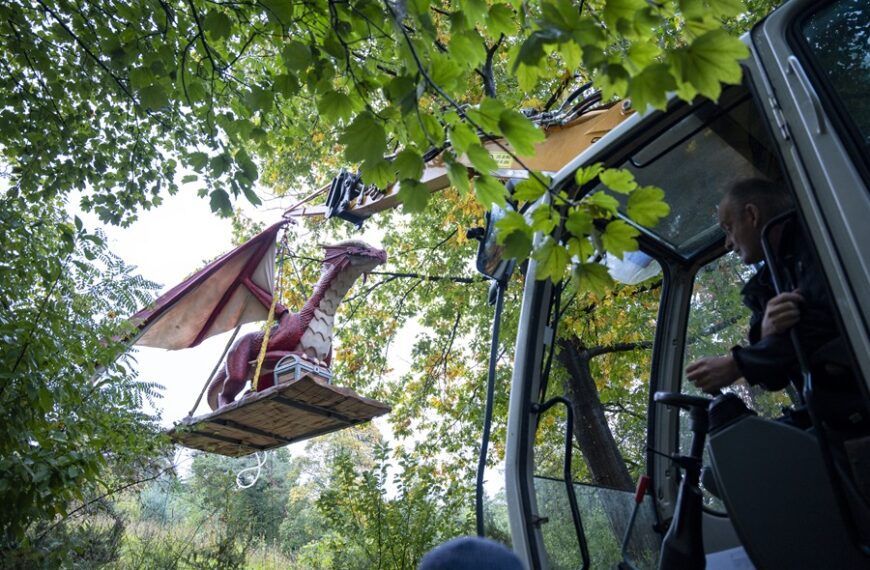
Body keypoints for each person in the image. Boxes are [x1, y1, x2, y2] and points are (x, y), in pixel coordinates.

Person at [685, 178, 862, 429]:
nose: (728, 243)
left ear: (751, 215)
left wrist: (737, 364)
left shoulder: (819, 242)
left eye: (728, 228)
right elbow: (773, 378)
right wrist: (766, 334)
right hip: (829, 413)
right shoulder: (766, 286)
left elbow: (832, 324)